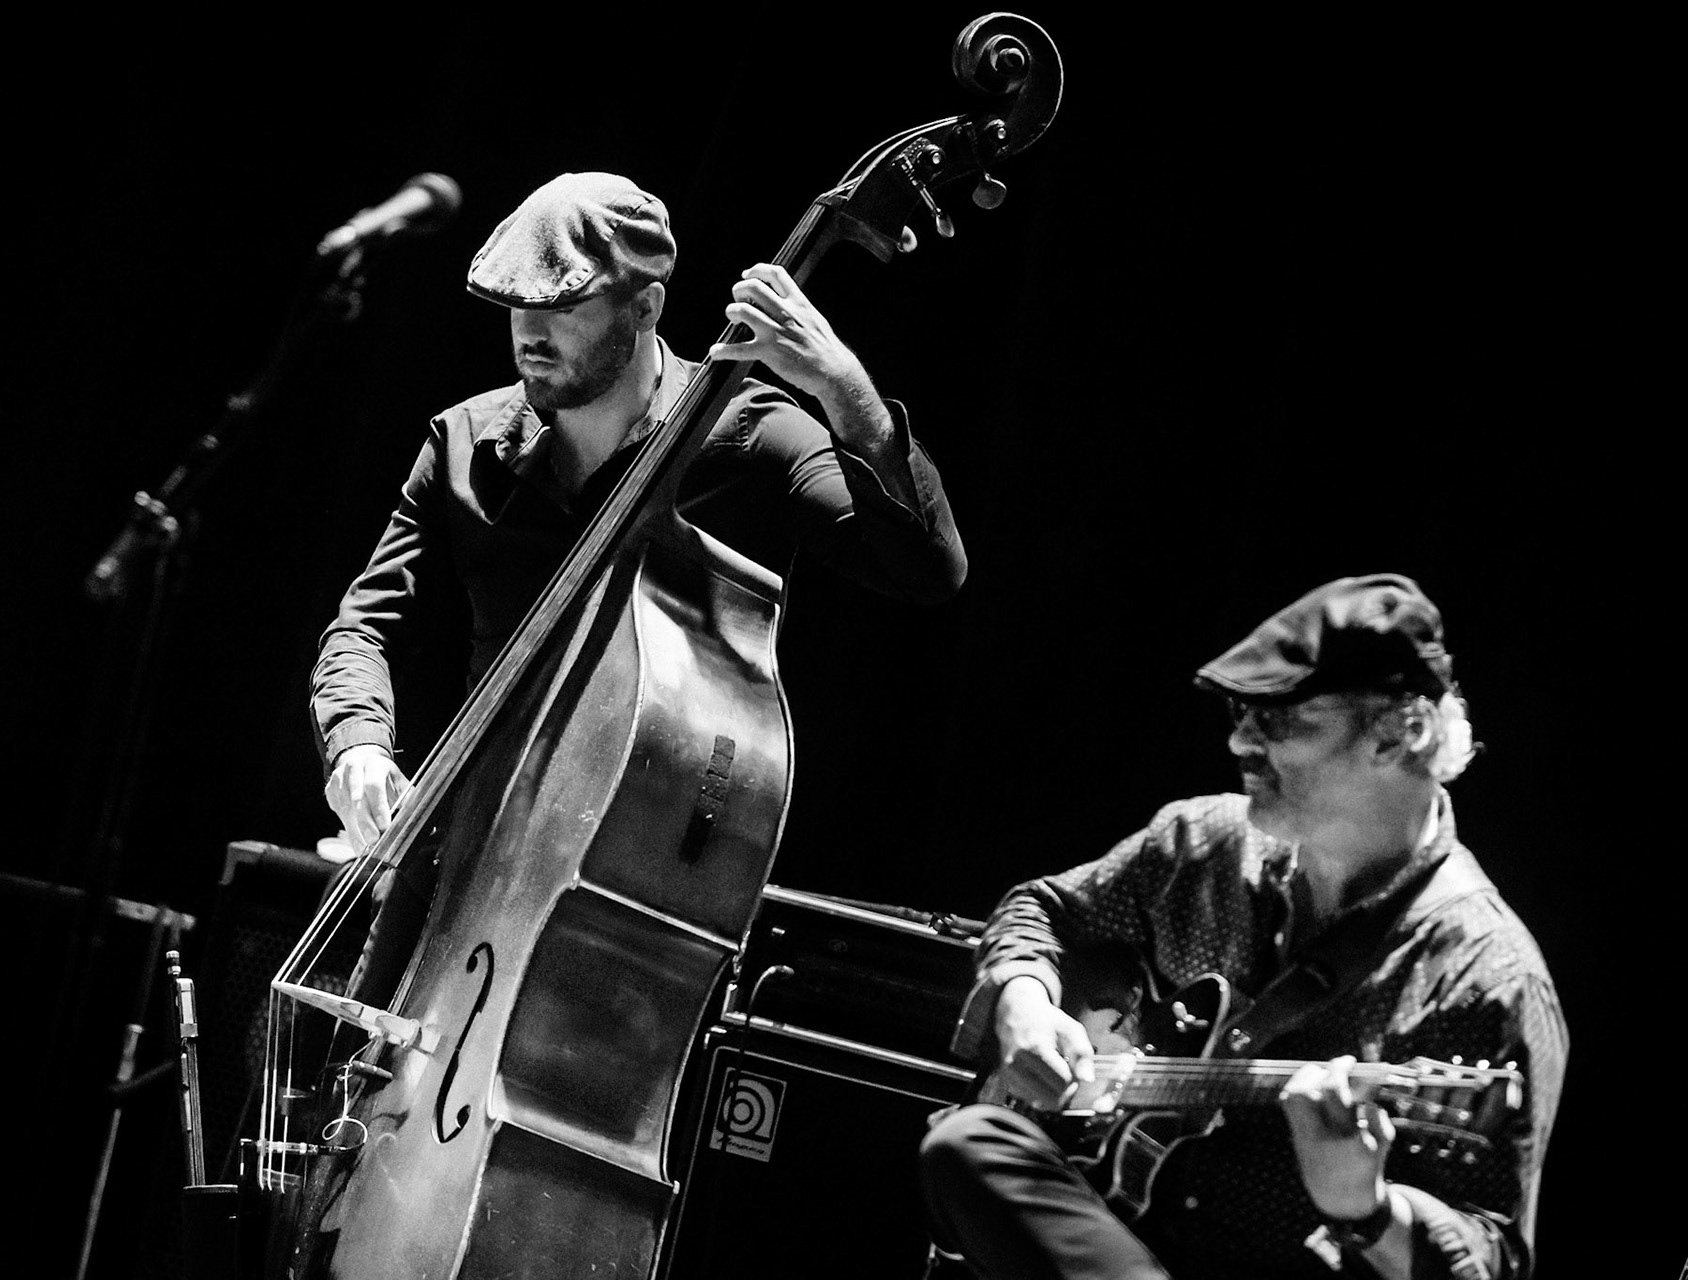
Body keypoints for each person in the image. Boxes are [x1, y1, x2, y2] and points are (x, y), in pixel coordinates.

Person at [308, 171, 967, 1000]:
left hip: (633, 886)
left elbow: (927, 568)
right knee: (342, 1103)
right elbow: (364, 626)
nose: (532, 335)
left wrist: (845, 390)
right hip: (459, 847)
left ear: (646, 307)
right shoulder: (464, 443)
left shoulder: (752, 439)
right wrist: (359, 742)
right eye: (520, 307)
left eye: (564, 309)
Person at [919, 574, 1566, 1279]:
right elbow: (1043, 909)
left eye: (1280, 719)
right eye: (1240, 712)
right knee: (966, 1141)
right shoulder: (1202, 845)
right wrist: (1024, 1001)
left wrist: (1366, 1208)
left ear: (1398, 732)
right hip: (1116, 1242)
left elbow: (1494, 1258)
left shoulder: (1489, 976)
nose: (1239, 741)